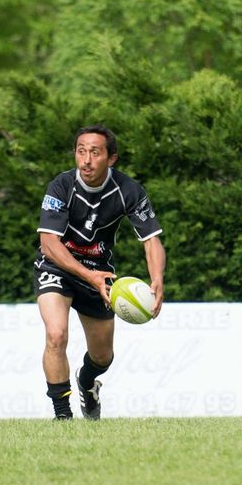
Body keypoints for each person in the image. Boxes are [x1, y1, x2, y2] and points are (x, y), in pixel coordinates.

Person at [34, 125, 166, 420]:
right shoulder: (61, 186)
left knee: (103, 356)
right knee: (56, 334)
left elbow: (151, 240)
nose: (87, 160)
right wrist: (86, 274)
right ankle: (63, 417)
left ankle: (86, 382)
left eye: (95, 152)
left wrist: (157, 279)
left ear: (112, 158)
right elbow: (49, 243)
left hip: (100, 274)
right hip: (57, 265)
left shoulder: (128, 190)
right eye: (81, 151)